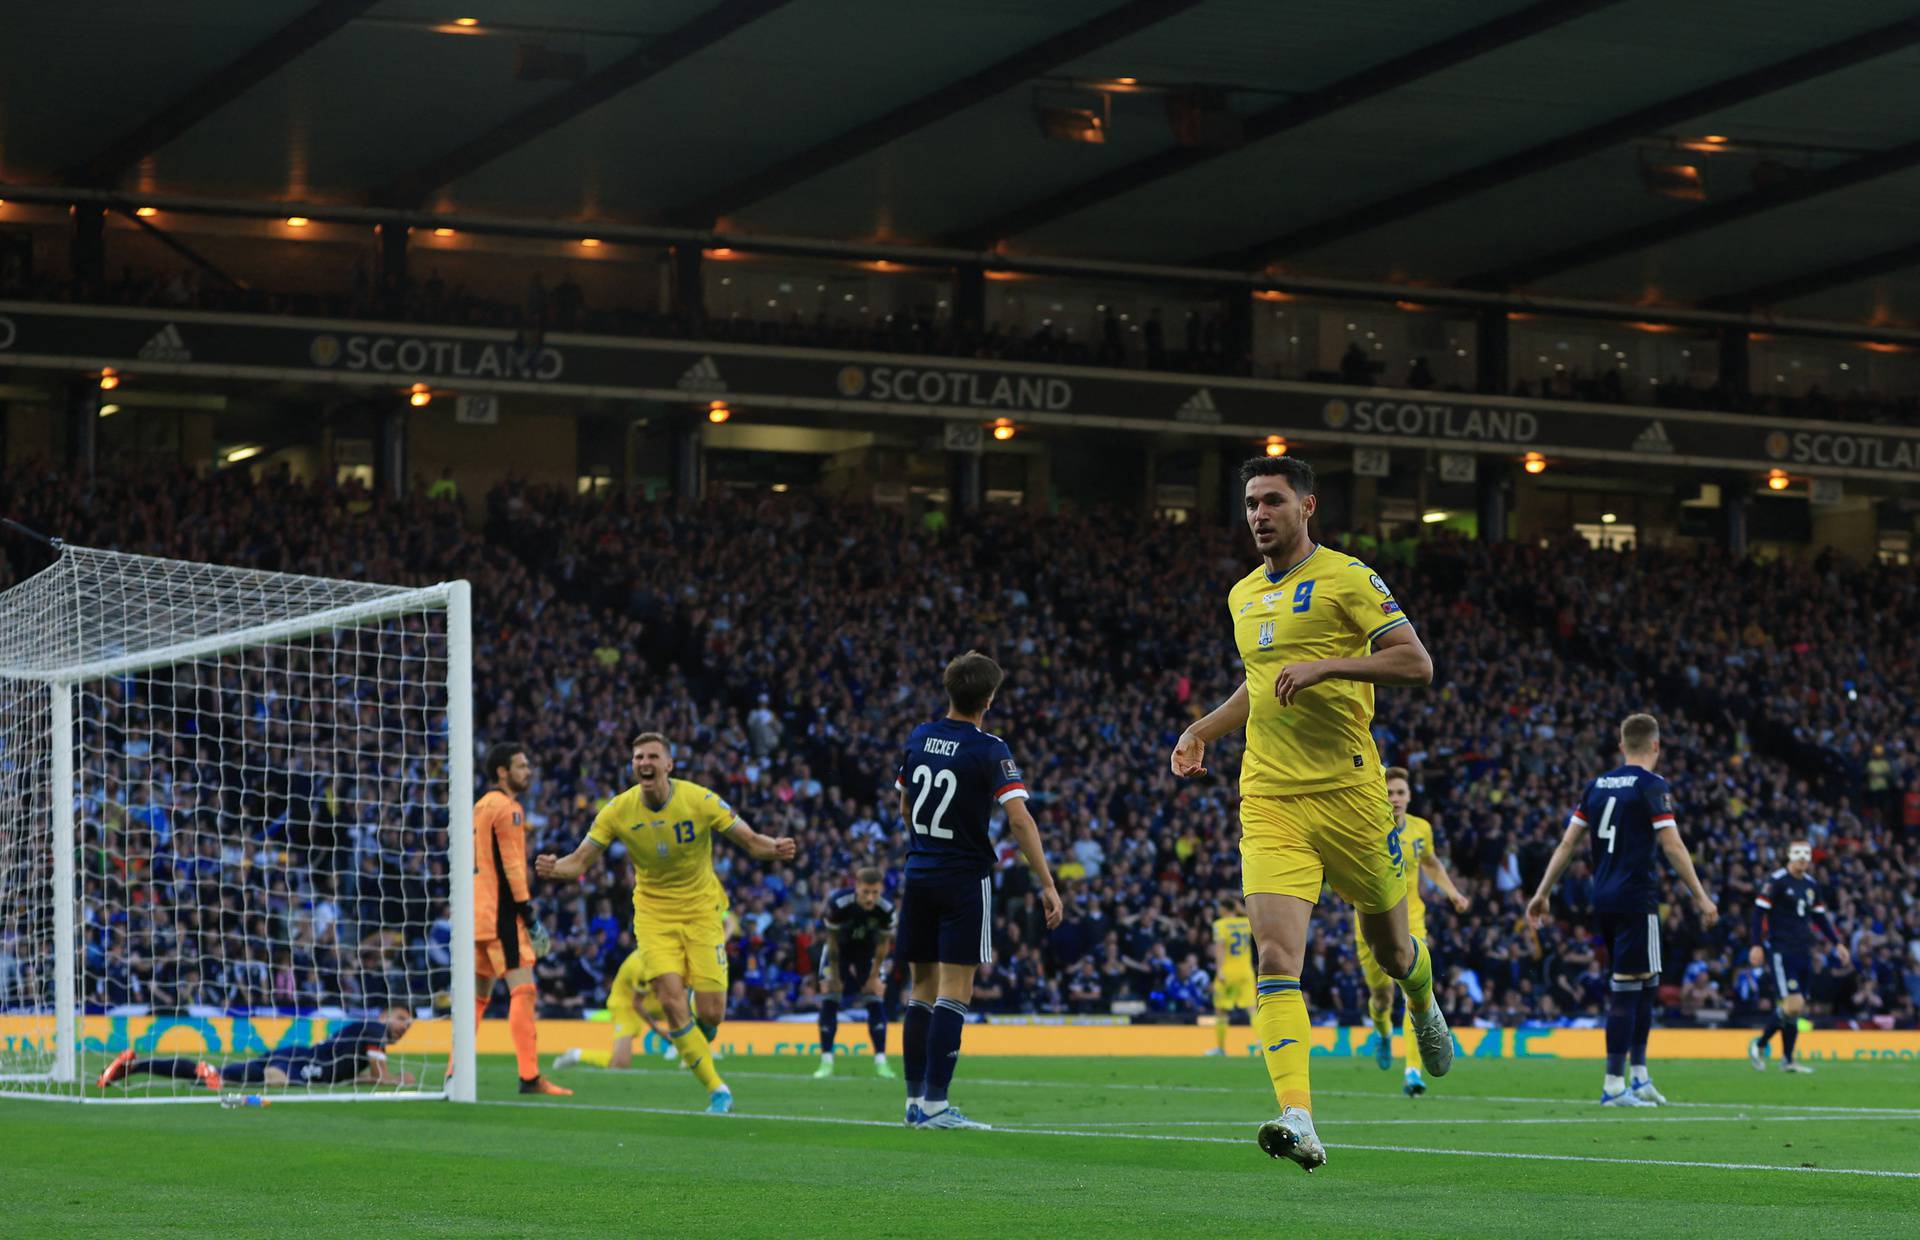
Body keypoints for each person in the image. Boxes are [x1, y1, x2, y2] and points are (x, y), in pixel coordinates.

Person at [1170, 455, 1445, 1173]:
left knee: (1391, 951)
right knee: (1275, 957)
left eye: (1273, 501)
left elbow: (1417, 664)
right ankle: (1300, 1116)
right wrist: (1202, 730)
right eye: (1252, 503)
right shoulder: (1240, 596)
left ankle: (1420, 992)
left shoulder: (1349, 579)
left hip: (1352, 795)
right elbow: (1259, 689)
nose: (1259, 514)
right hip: (1269, 797)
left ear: (1308, 505)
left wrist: (1329, 666)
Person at [536, 731, 796, 1114]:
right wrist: (555, 867)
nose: (645, 762)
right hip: (654, 916)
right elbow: (579, 861)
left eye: (653, 756)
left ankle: (697, 1030)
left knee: (711, 1013)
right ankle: (718, 1090)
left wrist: (775, 848)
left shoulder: (700, 799)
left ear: (668, 765)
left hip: (703, 910)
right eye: (638, 757)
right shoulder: (618, 810)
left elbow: (751, 840)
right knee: (673, 1005)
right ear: (633, 766)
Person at [896, 650, 1061, 1130]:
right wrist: (1047, 884)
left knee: (920, 989)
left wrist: (925, 843)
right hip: (964, 877)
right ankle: (935, 1106)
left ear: (949, 690)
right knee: (955, 991)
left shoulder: (919, 736)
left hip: (919, 871)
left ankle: (913, 1103)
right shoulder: (991, 749)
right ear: (989, 698)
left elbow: (905, 803)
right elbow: (1018, 818)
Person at [1527, 713, 1718, 1107]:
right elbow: (1672, 845)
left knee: (1646, 983)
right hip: (1636, 898)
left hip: (1605, 897)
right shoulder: (1652, 785)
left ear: (1620, 746)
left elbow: (1567, 845)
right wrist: (1699, 895)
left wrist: (1542, 892)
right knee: (1628, 989)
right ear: (1656, 746)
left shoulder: (1596, 786)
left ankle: (1640, 1076)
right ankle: (1614, 1084)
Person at [1360, 766, 1471, 1096]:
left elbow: (1432, 863)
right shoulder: (1366, 825)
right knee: (1381, 996)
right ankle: (1381, 1031)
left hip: (1411, 921)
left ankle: (1412, 1070)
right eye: (1390, 792)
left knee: (1416, 993)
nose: (1395, 798)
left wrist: (1453, 893)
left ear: (1409, 797)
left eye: (1400, 793)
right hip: (1370, 923)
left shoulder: (1421, 829)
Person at [474, 742, 570, 1097]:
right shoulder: (508, 808)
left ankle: (455, 1072)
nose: (528, 772)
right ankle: (530, 1077)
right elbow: (512, 866)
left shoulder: (478, 806)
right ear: (503, 771)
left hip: (475, 913)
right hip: (501, 914)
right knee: (523, 990)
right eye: (521, 766)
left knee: (477, 998)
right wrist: (528, 915)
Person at [99, 1007, 415, 1092]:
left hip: (296, 1061)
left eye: (410, 1025)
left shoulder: (365, 1035)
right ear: (386, 1014)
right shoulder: (375, 1028)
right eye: (402, 1019)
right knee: (275, 1081)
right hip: (294, 1063)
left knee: (216, 1076)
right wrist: (396, 1079)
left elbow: (359, 1079)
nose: (404, 1027)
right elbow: (380, 1074)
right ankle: (138, 1065)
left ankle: (134, 1065)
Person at [1749, 840, 1849, 1074]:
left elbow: (1820, 918)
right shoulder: (1776, 881)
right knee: (1794, 1004)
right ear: (1789, 855)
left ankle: (1787, 1059)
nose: (1803, 858)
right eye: (1798, 854)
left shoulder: (1811, 885)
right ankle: (1760, 1044)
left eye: (1806, 854)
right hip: (1781, 951)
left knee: (1796, 1008)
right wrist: (1756, 945)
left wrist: (1837, 943)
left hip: (1803, 951)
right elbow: (1758, 914)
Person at [813, 866, 897, 1080]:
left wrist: (873, 976)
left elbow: (883, 945)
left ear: (881, 890)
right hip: (838, 951)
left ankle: (881, 1061)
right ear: (856, 887)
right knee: (830, 997)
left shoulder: (886, 909)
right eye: (865, 892)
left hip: (866, 953)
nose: (870, 898)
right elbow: (831, 941)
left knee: (875, 997)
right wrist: (835, 976)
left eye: (875, 893)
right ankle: (826, 1061)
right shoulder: (839, 903)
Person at [552, 949, 678, 1072]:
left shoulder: (657, 954)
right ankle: (577, 1054)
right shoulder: (641, 968)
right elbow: (637, 1003)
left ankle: (685, 1050)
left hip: (645, 1000)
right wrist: (658, 1030)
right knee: (620, 1064)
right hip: (624, 1006)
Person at [1208, 896, 1254, 1057]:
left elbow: (1220, 948)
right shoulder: (1246, 923)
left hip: (1227, 973)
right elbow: (1255, 918)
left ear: (1223, 909)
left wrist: (1219, 970)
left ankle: (1220, 1048)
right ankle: (1264, 1044)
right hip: (1246, 972)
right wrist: (1240, 910)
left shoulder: (1219, 925)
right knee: (1253, 1010)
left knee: (1221, 1011)